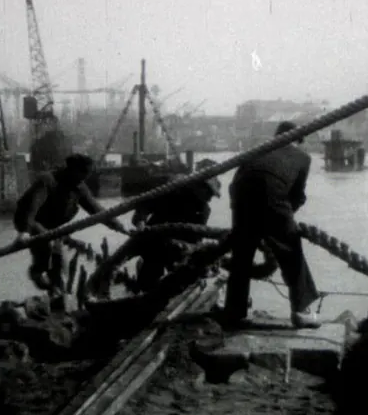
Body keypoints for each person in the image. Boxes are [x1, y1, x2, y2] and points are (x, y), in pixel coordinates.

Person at [224, 121, 321, 328]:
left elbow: (237, 181)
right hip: (272, 197)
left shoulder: (257, 149)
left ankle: (234, 311)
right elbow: (297, 196)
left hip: (240, 196)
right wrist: (283, 224)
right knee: (291, 252)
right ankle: (301, 311)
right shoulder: (303, 158)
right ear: (298, 139)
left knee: (242, 255)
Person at [13, 153, 128, 296]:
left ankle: (56, 291)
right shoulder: (48, 180)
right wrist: (24, 232)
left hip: (49, 225)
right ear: (72, 170)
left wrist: (118, 226)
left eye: (88, 173)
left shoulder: (79, 187)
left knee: (58, 257)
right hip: (28, 219)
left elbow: (97, 210)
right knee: (47, 244)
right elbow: (32, 206)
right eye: (83, 173)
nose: (85, 177)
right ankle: (37, 271)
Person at [132, 159, 222, 291]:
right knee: (150, 276)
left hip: (178, 248)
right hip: (154, 241)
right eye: (208, 192)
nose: (209, 198)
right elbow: (144, 205)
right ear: (198, 186)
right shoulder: (173, 190)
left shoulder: (203, 211)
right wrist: (141, 222)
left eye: (211, 195)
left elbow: (195, 240)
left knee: (179, 279)